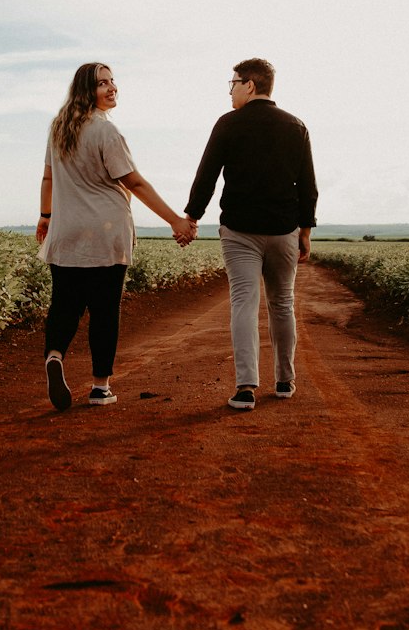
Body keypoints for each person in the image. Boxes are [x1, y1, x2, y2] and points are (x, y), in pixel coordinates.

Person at [36, 63, 196, 410]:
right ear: (85, 91)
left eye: (112, 81)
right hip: (106, 233)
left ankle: (54, 355)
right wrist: (175, 221)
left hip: (66, 232)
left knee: (64, 306)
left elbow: (48, 179)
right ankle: (100, 387)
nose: (112, 88)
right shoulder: (106, 132)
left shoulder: (58, 130)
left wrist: (45, 217)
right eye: (102, 84)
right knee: (104, 311)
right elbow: (134, 183)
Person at [185, 58, 317, 411]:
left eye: (233, 83)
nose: (230, 91)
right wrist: (305, 231)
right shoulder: (296, 126)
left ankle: (245, 387)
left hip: (240, 231)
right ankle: (285, 380)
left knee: (244, 302)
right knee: (282, 303)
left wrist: (191, 217)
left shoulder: (228, 124)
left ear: (250, 85)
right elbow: (308, 186)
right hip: (284, 230)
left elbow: (207, 177)